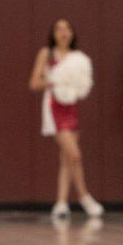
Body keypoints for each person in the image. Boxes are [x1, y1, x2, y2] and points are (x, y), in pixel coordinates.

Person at [28, 18, 103, 220]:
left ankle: (61, 202)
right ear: (53, 33)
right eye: (59, 29)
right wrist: (55, 80)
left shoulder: (78, 58)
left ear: (72, 33)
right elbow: (34, 82)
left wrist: (75, 85)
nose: (63, 33)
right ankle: (84, 196)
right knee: (75, 154)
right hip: (54, 107)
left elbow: (83, 83)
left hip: (71, 106)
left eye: (67, 29)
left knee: (67, 158)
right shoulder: (47, 53)